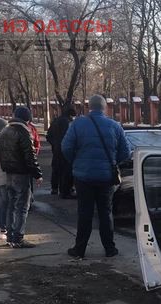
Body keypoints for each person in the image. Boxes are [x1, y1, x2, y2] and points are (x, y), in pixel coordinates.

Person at [62, 94, 130, 258]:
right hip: (106, 177)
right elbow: (125, 153)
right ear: (105, 108)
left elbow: (66, 147)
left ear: (89, 108)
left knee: (84, 213)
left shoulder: (78, 124)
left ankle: (79, 249)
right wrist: (112, 162)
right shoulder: (114, 126)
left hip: (83, 176)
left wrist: (77, 162)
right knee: (105, 213)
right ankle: (110, 249)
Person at [0, 106, 43, 248]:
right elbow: (30, 156)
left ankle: (10, 237)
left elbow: (1, 153)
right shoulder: (23, 132)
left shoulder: (4, 131)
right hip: (22, 174)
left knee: (11, 206)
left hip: (9, 174)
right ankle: (18, 238)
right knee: (22, 207)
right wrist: (38, 174)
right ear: (27, 119)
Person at [47, 107, 77, 198]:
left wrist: (54, 144)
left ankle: (54, 188)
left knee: (56, 168)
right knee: (66, 170)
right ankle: (65, 190)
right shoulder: (67, 123)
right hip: (64, 149)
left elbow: (48, 136)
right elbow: (69, 137)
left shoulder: (55, 121)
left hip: (56, 149)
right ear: (71, 115)